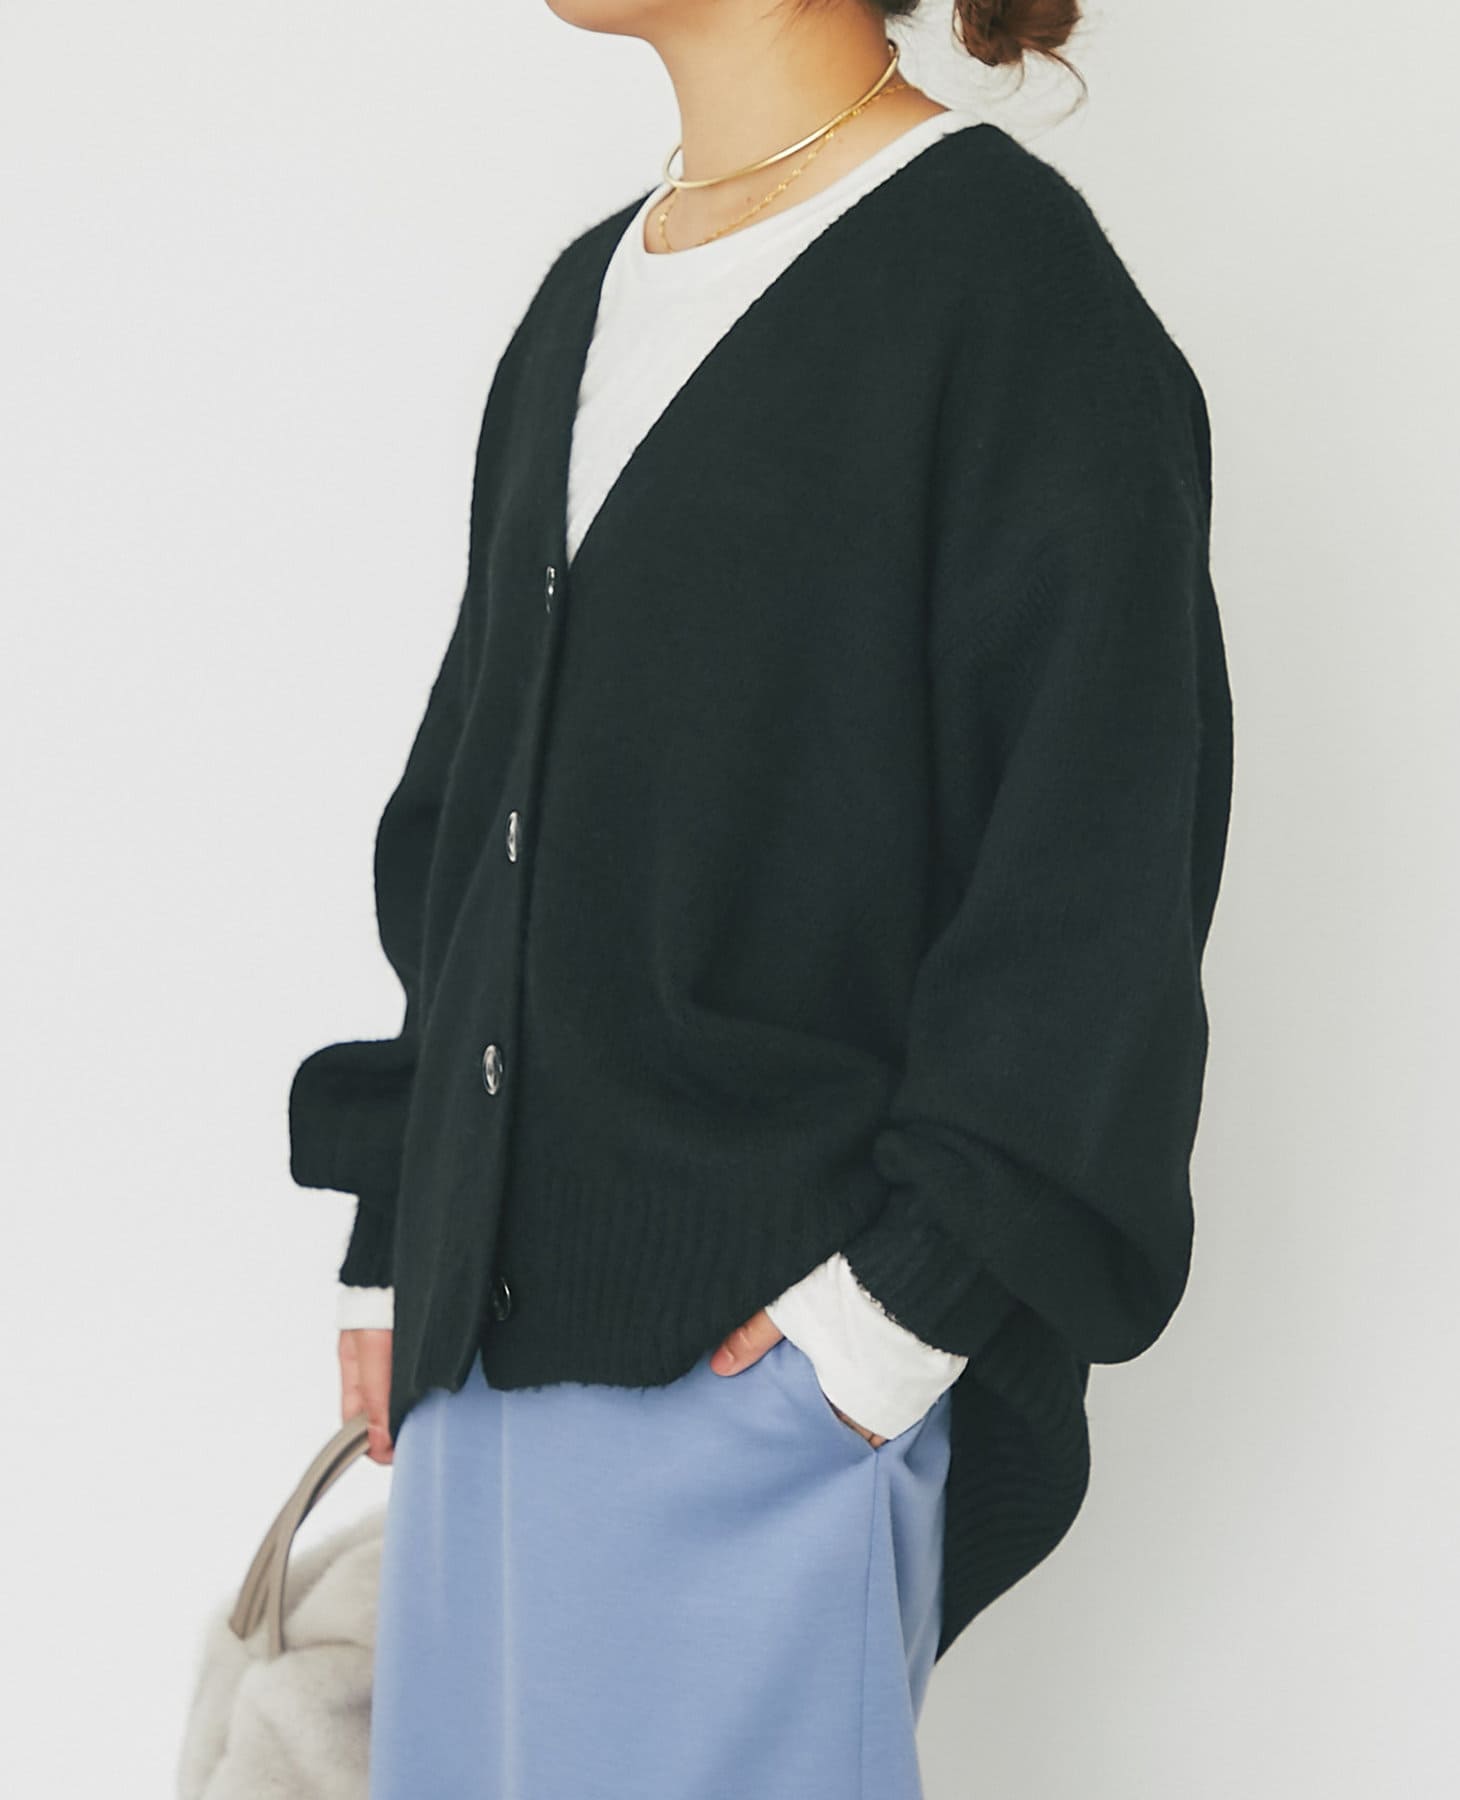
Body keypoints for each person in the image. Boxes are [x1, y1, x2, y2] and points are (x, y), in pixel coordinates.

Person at [286, 1, 1233, 1794]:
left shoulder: (1010, 289)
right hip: (479, 1376)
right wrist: (404, 1223)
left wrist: (889, 1321)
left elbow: (1099, 859)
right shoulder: (588, 297)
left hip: (753, 1384)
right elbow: (476, 818)